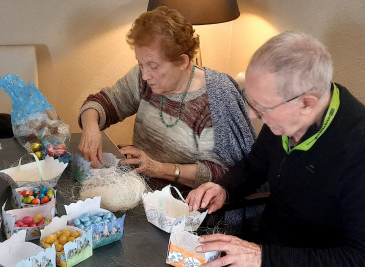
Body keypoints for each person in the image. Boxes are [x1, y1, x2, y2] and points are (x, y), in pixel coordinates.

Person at [181, 32, 365, 267]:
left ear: (307, 102)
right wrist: (224, 187)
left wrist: (261, 257)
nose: (254, 116)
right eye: (251, 102)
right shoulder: (285, 119)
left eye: (261, 107)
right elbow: (255, 165)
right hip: (273, 254)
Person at [77, 6, 255, 190]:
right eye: (140, 63)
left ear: (182, 61)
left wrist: (159, 169)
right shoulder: (144, 78)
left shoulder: (214, 100)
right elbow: (101, 103)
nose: (145, 75)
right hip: (140, 189)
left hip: (185, 206)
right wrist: (91, 128)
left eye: (153, 66)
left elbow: (220, 174)